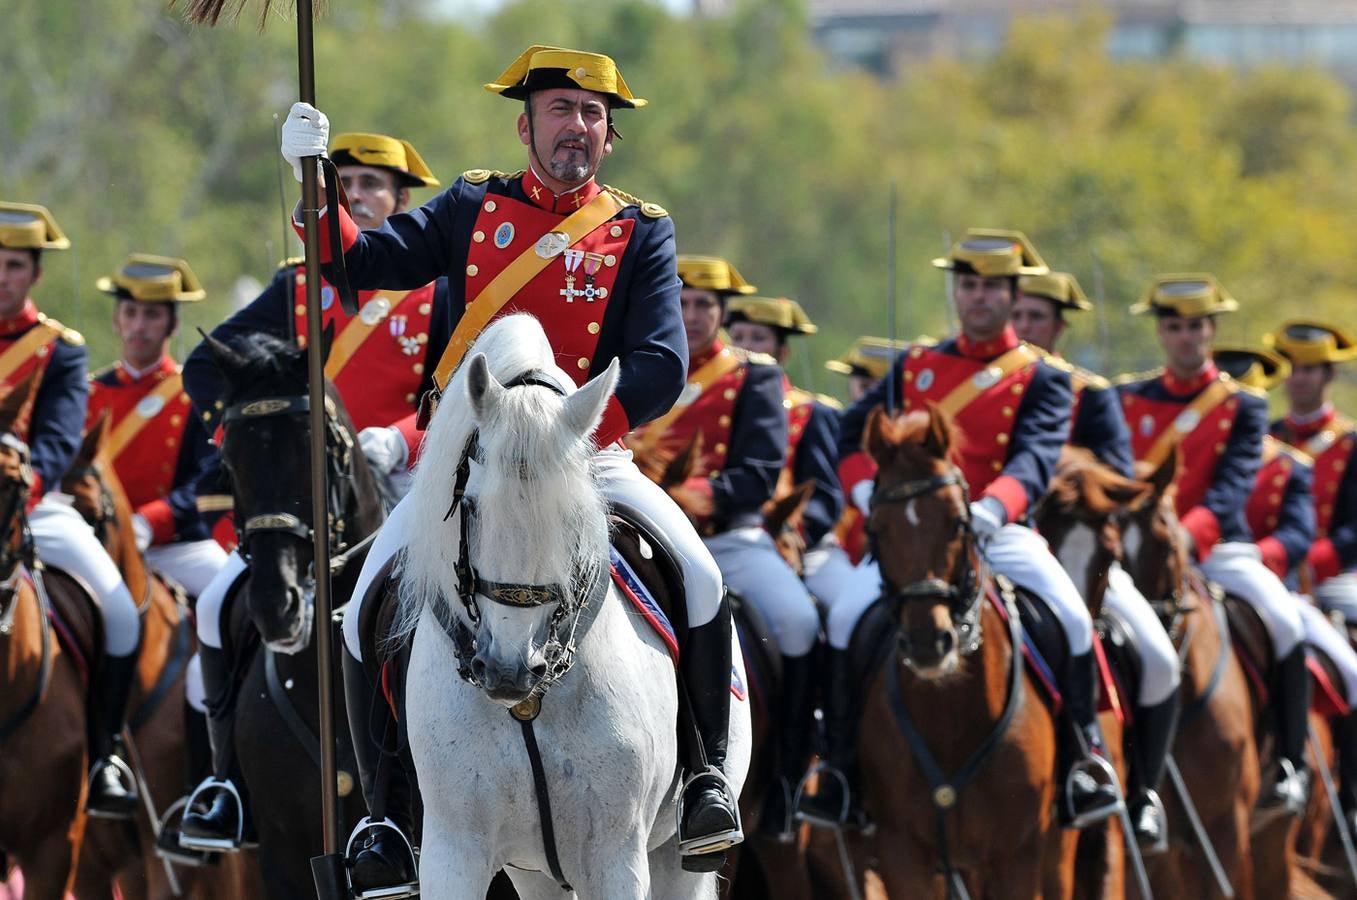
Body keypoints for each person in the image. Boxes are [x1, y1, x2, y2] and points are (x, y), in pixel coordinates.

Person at [274, 45, 741, 887]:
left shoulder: (640, 229)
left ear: (608, 139)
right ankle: (386, 819)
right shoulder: (468, 205)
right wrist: (316, 188)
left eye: (594, 116)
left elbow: (663, 362)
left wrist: (575, 429)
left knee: (698, 575)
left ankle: (705, 778)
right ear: (526, 126)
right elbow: (363, 262)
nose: (578, 127)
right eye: (561, 110)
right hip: (467, 467)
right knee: (359, 610)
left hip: (583, 455)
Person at [177, 131, 446, 863]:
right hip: (300, 495)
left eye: (370, 186)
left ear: (400, 202)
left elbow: (453, 392)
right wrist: (254, 430)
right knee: (212, 605)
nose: (355, 195)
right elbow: (207, 368)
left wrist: (401, 437)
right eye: (344, 183)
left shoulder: (434, 289)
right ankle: (224, 785)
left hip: (401, 482)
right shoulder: (296, 286)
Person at [801, 230, 1120, 830]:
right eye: (969, 285)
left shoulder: (1043, 376)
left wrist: (990, 510)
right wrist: (872, 496)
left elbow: (1035, 457)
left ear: (1012, 293)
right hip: (916, 534)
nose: (978, 298)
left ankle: (1083, 761)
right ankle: (840, 770)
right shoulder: (916, 364)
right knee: (844, 619)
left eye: (992, 287)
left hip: (998, 529)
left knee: (1073, 618)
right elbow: (849, 436)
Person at [1116, 275, 1310, 815]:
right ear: (1161, 333)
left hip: (1215, 546)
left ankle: (1290, 763)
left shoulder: (1243, 406)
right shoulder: (1126, 396)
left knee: (1285, 620)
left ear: (1212, 329)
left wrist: (1184, 535)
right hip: (1136, 545)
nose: (1184, 338)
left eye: (1195, 326)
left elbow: (1231, 489)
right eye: (1173, 326)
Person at [630, 272, 809, 842]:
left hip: (728, 536)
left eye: (704, 303)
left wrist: (699, 497)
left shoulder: (753, 375)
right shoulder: (640, 360)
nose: (691, 313)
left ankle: (787, 781)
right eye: (680, 302)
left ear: (722, 313)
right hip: (642, 528)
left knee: (801, 623)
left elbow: (759, 475)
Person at [1013, 270, 1180, 850]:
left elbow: (1115, 472)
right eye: (1021, 315)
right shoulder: (992, 382)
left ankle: (1143, 794)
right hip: (1000, 539)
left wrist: (1057, 468)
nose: (1027, 326)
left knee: (1159, 660)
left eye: (1039, 318)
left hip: (1078, 551)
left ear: (1060, 325)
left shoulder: (1091, 393)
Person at [0, 202, 141, 817]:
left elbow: (58, 441)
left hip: (31, 503)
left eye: (11, 266)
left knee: (118, 606)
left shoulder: (59, 350)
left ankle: (104, 751)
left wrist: (21, 495)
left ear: (32, 274)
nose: (0, 277)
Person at [1264, 322, 1357, 621]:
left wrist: (1313, 564)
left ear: (1328, 374)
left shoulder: (1351, 442)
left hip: (1334, 574)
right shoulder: (1266, 438)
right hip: (1268, 566)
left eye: (1308, 369)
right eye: (1292, 368)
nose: (1298, 377)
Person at [824, 336, 907, 565]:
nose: (867, 399)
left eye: (876, 389)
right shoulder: (838, 433)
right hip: (838, 548)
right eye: (863, 387)